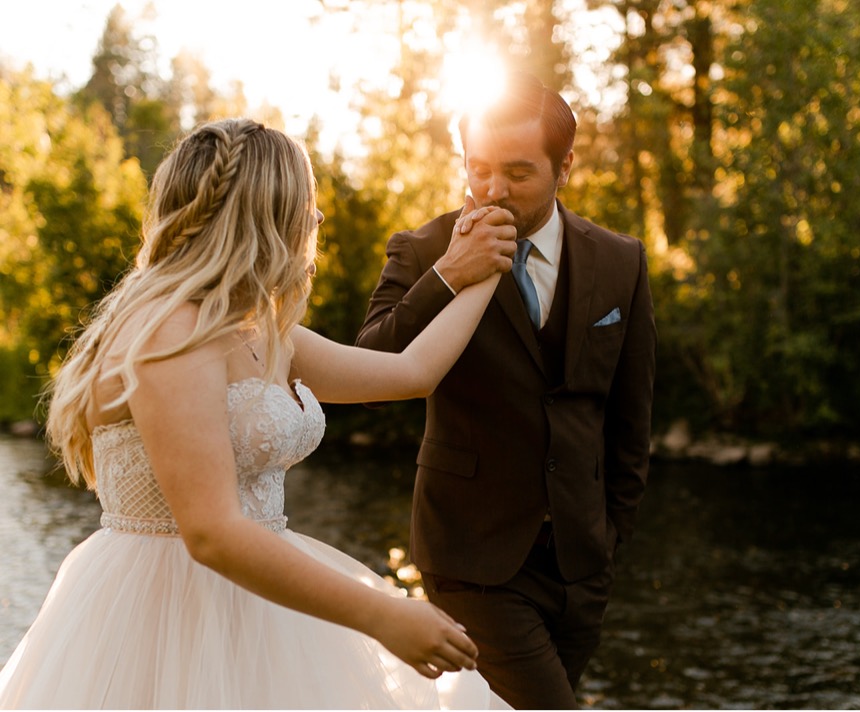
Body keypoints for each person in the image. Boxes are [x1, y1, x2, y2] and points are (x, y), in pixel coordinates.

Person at [0, 118, 518, 709]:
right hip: (162, 614)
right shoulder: (172, 331)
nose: (317, 220)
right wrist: (382, 615)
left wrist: (486, 260)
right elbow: (212, 532)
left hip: (265, 601)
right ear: (266, 216)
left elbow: (411, 372)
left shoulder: (262, 333)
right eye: (306, 203)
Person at [356, 72, 657, 709]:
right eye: (479, 168)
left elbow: (631, 417)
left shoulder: (620, 261)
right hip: (471, 559)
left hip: (581, 563)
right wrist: (446, 278)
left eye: (518, 173)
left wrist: (609, 536)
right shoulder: (422, 251)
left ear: (565, 165)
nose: (493, 190)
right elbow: (370, 371)